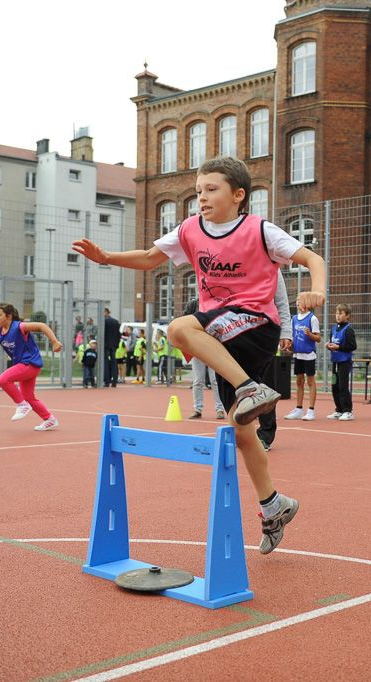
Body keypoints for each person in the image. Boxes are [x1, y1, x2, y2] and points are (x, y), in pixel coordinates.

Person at [72, 155, 326, 555]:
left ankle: (251, 388)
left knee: (178, 328)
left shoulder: (260, 230)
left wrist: (317, 290)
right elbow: (150, 258)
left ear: (238, 195)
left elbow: (313, 258)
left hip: (256, 323)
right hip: (221, 332)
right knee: (241, 430)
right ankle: (273, 505)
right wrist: (107, 258)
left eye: (211, 190)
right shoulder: (191, 230)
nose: (201, 198)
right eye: (198, 191)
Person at [0, 302, 62, 431]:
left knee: (3, 380)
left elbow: (42, 326)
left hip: (30, 363)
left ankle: (22, 405)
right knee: (28, 397)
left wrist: (54, 341)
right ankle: (49, 419)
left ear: (8, 316)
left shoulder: (19, 327)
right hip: (23, 366)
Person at [256, 271, 293, 453]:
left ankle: (265, 434)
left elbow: (281, 301)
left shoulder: (271, 265)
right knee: (236, 385)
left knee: (265, 385)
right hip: (235, 330)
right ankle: (239, 431)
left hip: (265, 331)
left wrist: (286, 331)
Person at [184, 296, 227, 419]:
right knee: (198, 381)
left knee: (215, 380)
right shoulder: (193, 304)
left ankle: (220, 409)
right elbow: (184, 320)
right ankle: (197, 409)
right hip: (197, 347)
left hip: (214, 347)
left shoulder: (216, 303)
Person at [284, 295, 320, 422]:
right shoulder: (294, 319)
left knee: (310, 381)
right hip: (298, 354)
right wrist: (290, 346)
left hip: (309, 354)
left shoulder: (312, 318)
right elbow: (292, 337)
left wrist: (309, 334)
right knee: (299, 381)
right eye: (297, 301)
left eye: (300, 301)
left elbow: (318, 338)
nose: (298, 303)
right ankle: (299, 409)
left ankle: (311, 410)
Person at [325, 303, 357, 421]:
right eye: (336, 313)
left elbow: (352, 346)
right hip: (335, 361)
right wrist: (329, 346)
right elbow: (332, 343)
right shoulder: (334, 328)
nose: (338, 316)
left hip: (344, 362)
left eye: (341, 313)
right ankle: (339, 409)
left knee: (343, 386)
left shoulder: (348, 329)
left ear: (347, 315)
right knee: (335, 386)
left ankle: (347, 411)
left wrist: (338, 347)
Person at [102, 308, 120, 387]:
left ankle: (106, 380)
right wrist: (117, 344)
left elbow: (102, 333)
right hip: (114, 344)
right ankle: (114, 380)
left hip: (105, 344)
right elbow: (118, 334)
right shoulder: (116, 321)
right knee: (114, 362)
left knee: (105, 362)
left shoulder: (104, 321)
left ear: (105, 312)